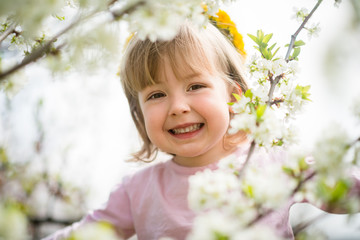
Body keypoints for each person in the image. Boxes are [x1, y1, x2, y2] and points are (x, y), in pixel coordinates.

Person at [43, 19, 296, 240]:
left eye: (195, 86)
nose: (177, 107)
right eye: (157, 94)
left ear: (233, 97)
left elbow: (333, 186)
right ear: (139, 113)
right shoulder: (138, 191)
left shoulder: (274, 164)